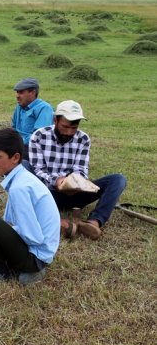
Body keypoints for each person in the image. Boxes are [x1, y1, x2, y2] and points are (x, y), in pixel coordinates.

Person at [0, 128, 60, 285]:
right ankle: (13, 266)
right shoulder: (20, 178)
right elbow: (11, 223)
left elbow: (34, 237)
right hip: (30, 247)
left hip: (35, 257)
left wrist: (6, 235)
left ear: (15, 158)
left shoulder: (19, 188)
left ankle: (0, 269)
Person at [28, 100, 127, 240]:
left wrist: (76, 183)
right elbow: (38, 169)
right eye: (65, 126)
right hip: (46, 194)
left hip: (74, 195)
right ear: (55, 120)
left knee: (118, 179)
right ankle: (40, 212)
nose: (69, 132)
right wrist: (57, 181)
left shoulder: (83, 139)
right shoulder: (39, 136)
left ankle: (94, 223)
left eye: (74, 128)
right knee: (24, 166)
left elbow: (80, 169)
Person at [11, 77, 53, 146]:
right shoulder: (19, 106)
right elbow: (13, 128)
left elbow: (39, 136)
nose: (17, 96)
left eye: (21, 92)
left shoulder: (44, 108)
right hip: (18, 146)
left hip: (33, 148)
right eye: (17, 92)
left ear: (33, 93)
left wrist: (17, 141)